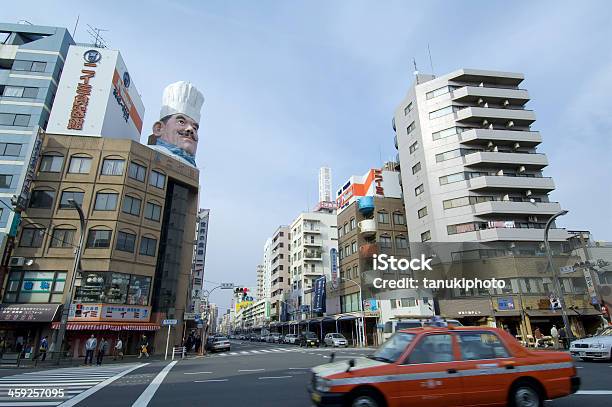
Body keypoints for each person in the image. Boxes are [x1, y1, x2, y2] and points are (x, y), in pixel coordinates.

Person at [147, 81, 204, 167]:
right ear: (159, 128)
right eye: (181, 122)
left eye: (195, 128)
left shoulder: (192, 170)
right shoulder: (147, 156)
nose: (190, 129)